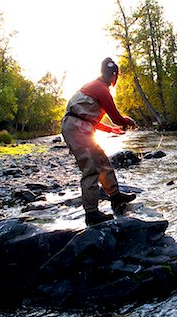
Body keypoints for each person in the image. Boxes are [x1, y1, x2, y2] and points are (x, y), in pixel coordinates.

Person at [62, 57, 137, 226]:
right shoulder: (102, 89)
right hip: (76, 129)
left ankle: (115, 196)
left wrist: (112, 130)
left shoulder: (94, 87)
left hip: (78, 126)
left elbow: (89, 118)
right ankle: (92, 214)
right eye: (116, 76)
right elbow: (117, 118)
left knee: (102, 161)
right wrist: (128, 121)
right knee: (91, 168)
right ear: (114, 75)